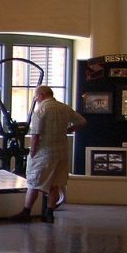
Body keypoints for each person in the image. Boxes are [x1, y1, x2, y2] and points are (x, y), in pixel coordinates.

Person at [12, 85, 87, 223]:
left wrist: (33, 152)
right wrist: (69, 129)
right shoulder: (64, 107)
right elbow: (82, 121)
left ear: (41, 95)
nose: (35, 98)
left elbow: (35, 135)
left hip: (44, 152)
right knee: (55, 183)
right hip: (62, 151)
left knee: (34, 182)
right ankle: (49, 213)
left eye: (35, 96)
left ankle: (26, 212)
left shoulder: (41, 110)